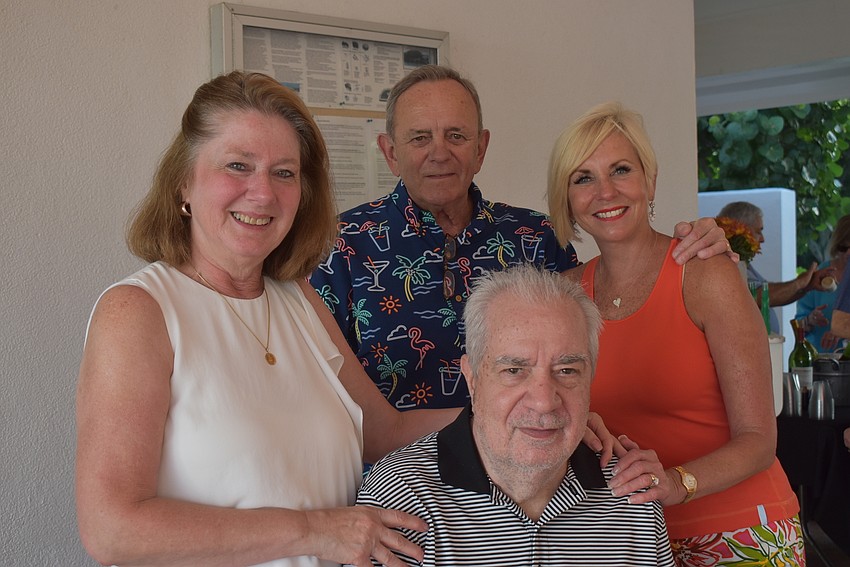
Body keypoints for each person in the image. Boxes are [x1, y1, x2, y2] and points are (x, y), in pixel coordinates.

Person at [75, 70, 466, 567]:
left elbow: (384, 431)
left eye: (284, 173)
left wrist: (519, 413)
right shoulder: (138, 312)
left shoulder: (299, 300)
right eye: (238, 165)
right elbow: (112, 530)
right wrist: (315, 531)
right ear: (183, 182)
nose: (263, 194)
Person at [310, 64, 731, 411]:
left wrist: (698, 241)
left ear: (481, 148)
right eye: (420, 137)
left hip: (531, 499)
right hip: (397, 492)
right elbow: (318, 395)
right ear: (390, 152)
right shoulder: (340, 246)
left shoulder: (536, 237)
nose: (439, 152)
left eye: (456, 135)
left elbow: (591, 349)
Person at [547, 102, 803, 566]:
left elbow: (759, 439)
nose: (604, 191)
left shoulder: (705, 273)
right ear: (566, 198)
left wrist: (675, 482)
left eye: (620, 170)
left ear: (650, 180)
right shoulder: (565, 294)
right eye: (583, 177)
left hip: (738, 533)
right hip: (629, 542)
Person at [357, 264, 676, 566]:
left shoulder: (632, 495)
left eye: (566, 370)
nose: (543, 402)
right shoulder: (402, 493)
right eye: (514, 370)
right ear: (472, 378)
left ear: (590, 378)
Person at [717, 200, 836, 334]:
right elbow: (758, 296)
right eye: (758, 231)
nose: (762, 239)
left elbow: (770, 295)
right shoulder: (725, 262)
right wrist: (800, 283)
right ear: (740, 228)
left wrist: (807, 285)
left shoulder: (743, 263)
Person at [796, 214, 850, 352]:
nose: (848, 254)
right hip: (823, 360)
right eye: (843, 248)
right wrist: (810, 319)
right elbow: (798, 326)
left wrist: (842, 329)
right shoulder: (821, 274)